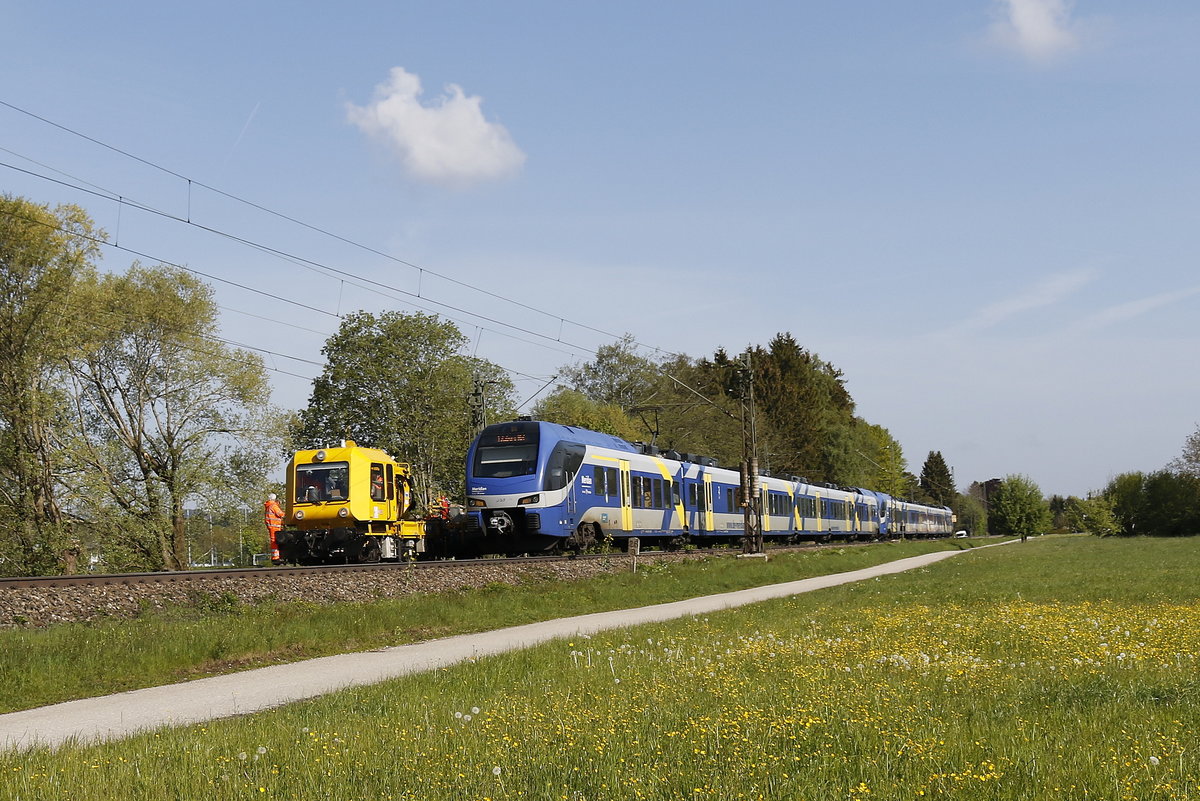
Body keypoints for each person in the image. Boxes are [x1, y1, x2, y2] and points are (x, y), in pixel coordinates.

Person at [263, 493, 284, 565]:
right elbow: (280, 514)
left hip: (272, 526)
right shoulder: (273, 506)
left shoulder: (268, 506)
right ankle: (276, 558)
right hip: (275, 527)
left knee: (274, 541)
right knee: (275, 541)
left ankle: (275, 557)